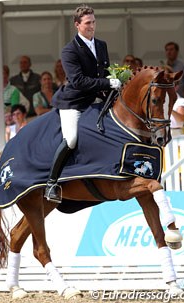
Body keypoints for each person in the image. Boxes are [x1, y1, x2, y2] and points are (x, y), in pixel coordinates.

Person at [45, 4, 121, 203]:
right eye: (88, 23)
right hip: (74, 102)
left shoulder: (101, 45)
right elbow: (78, 81)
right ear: (77, 25)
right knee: (71, 139)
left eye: (94, 22)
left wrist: (115, 85)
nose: (92, 26)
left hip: (96, 99)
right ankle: (52, 183)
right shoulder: (69, 51)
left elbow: (103, 74)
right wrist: (108, 82)